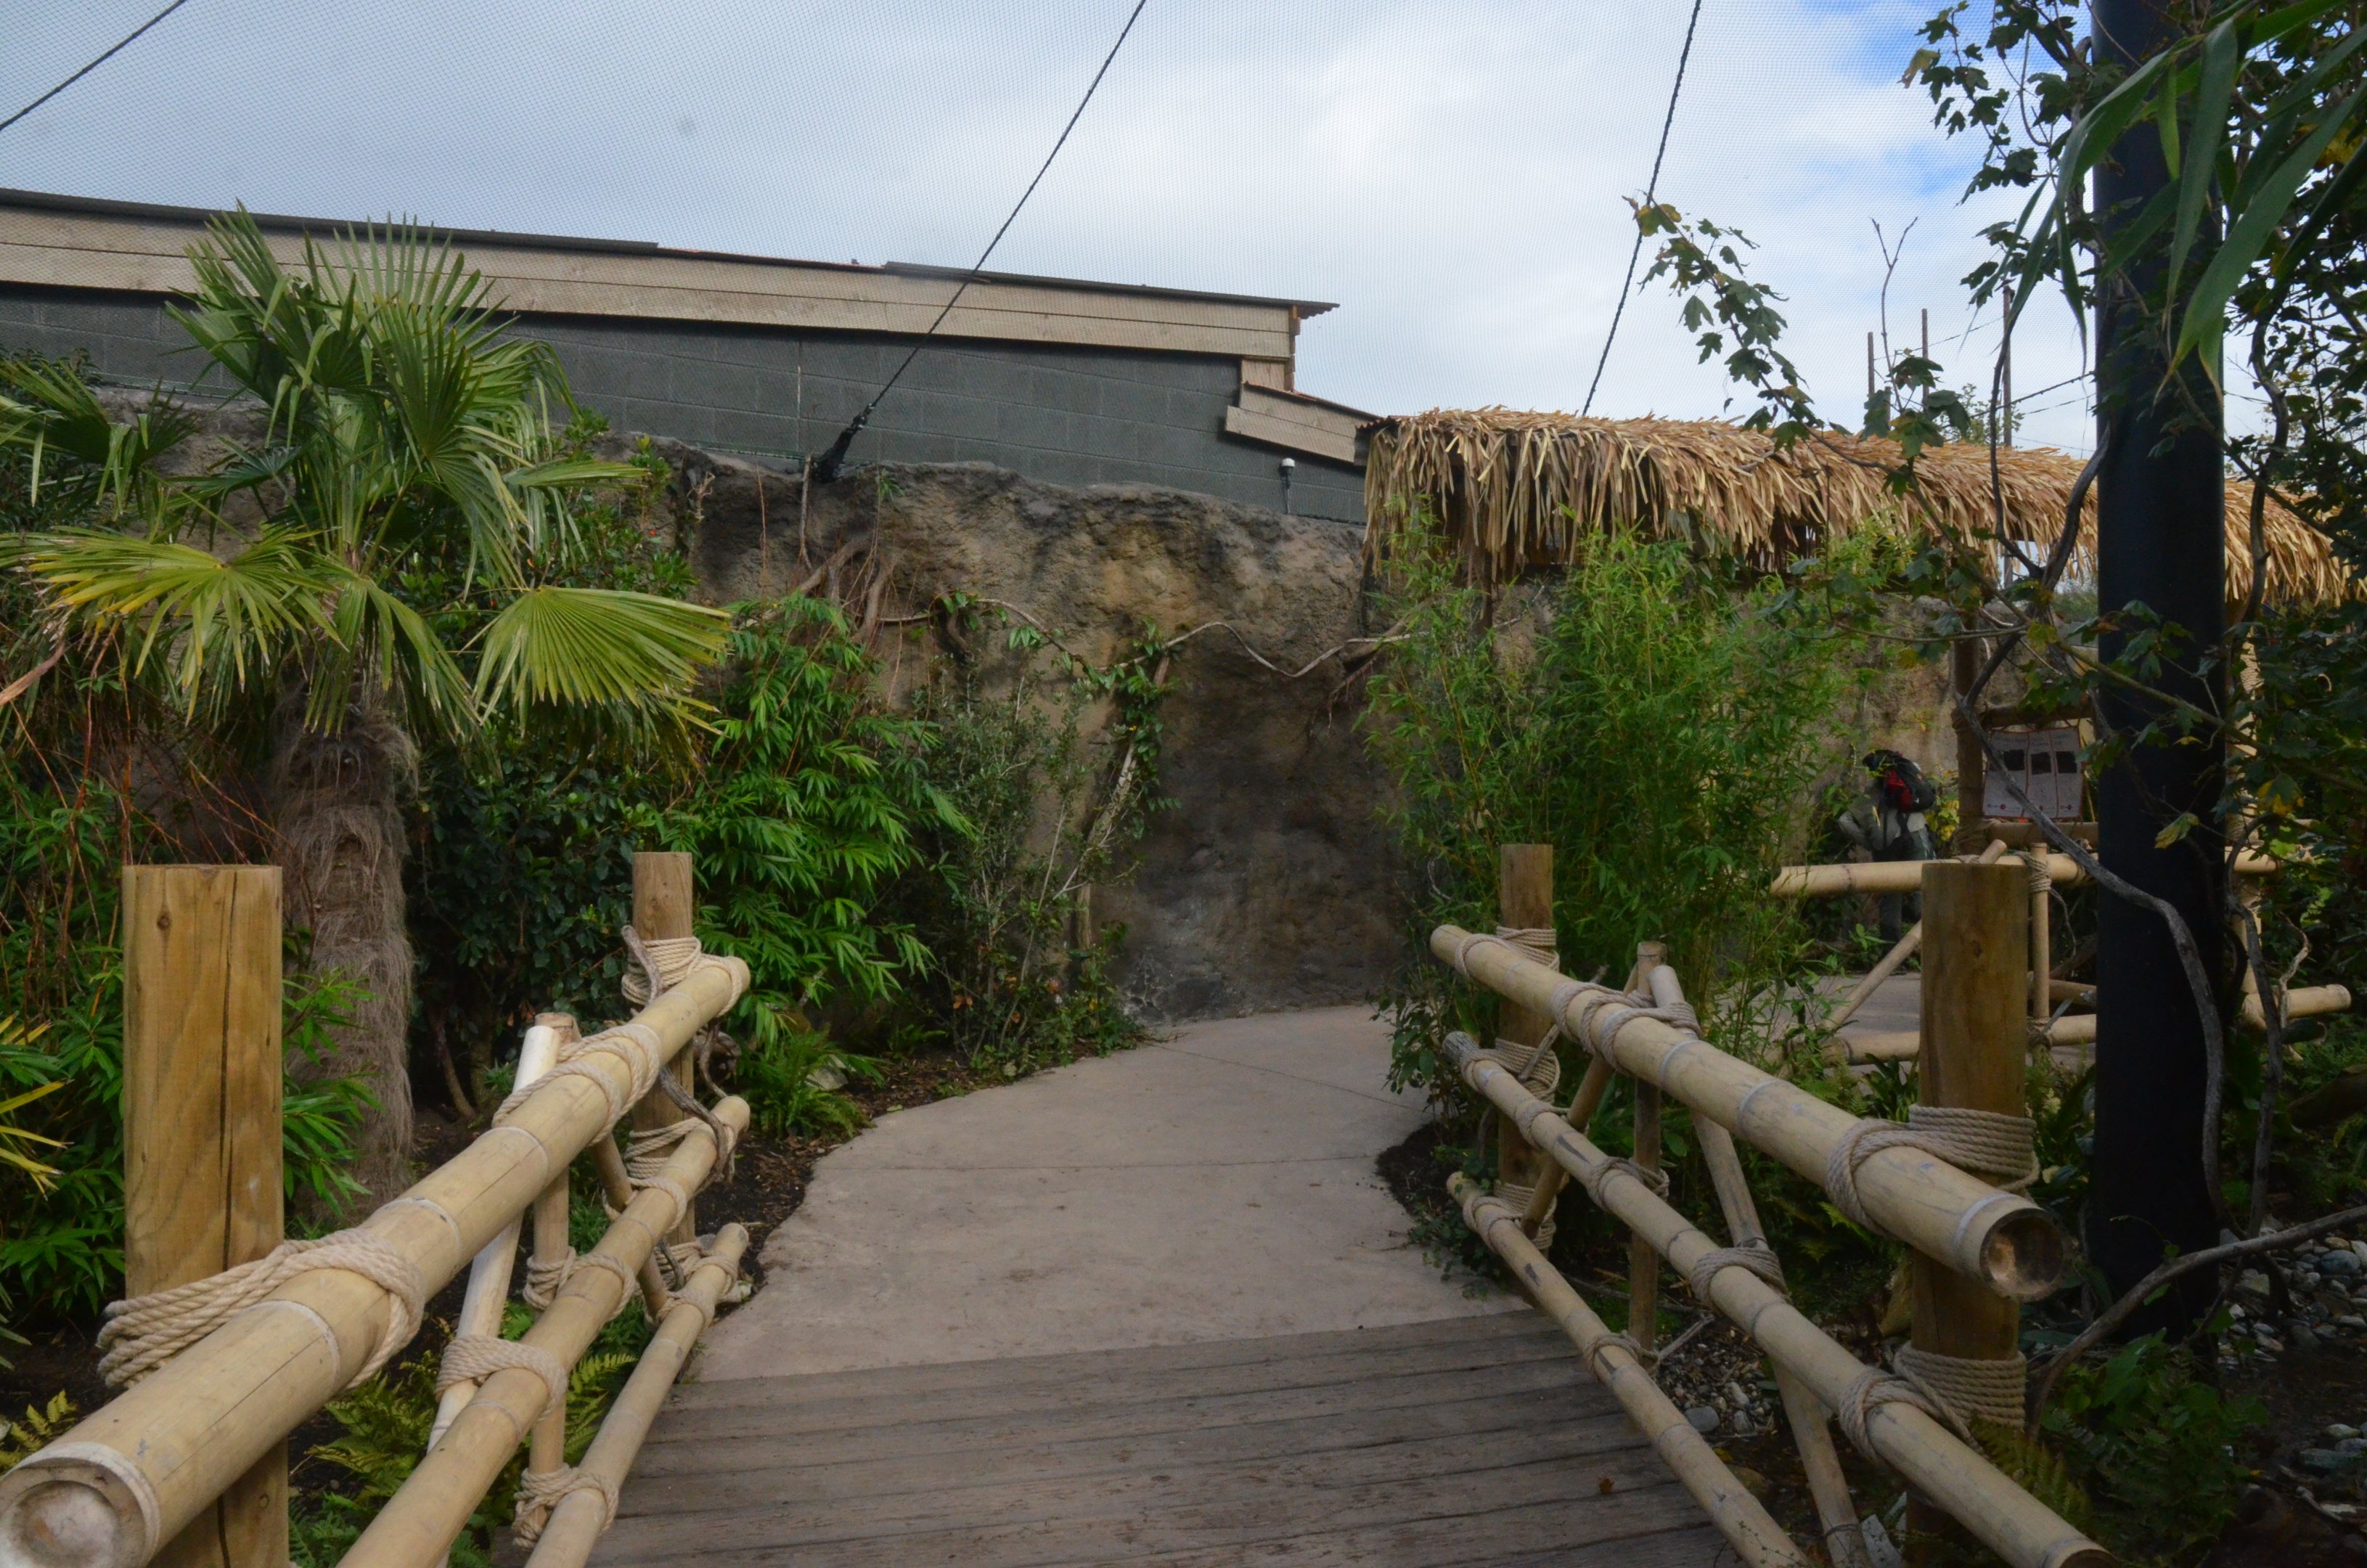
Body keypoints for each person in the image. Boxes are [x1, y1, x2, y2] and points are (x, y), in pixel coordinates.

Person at [1833, 749, 1939, 942]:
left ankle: (1891, 955)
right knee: (1923, 892)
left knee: (1890, 899)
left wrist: (1870, 843)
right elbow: (1930, 800)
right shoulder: (1913, 784)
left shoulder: (1872, 793)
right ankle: (1933, 948)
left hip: (1886, 844)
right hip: (1916, 836)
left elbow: (1844, 821)